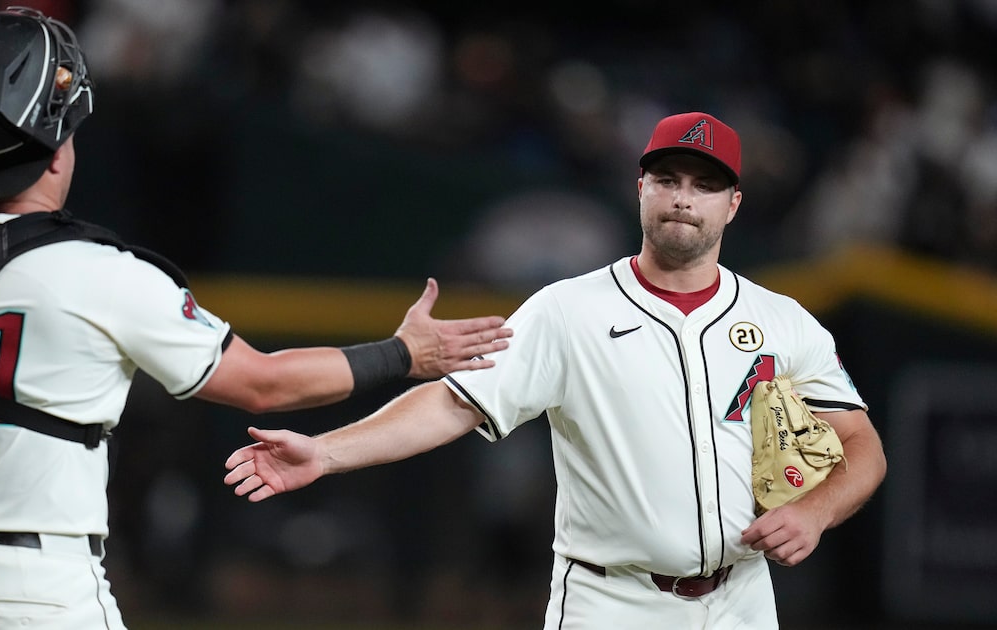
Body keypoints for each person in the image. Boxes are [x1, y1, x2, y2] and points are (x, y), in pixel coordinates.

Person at [0, 7, 512, 630]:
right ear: (60, 146)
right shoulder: (105, 274)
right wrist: (402, 354)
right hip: (34, 591)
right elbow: (264, 384)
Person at [224, 111, 888, 629]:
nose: (684, 198)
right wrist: (325, 451)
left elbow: (861, 446)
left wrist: (815, 512)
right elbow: (454, 403)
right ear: (641, 189)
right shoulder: (566, 310)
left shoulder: (784, 320)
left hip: (742, 600)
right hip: (611, 602)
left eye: (705, 184)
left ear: (733, 203)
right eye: (669, 179)